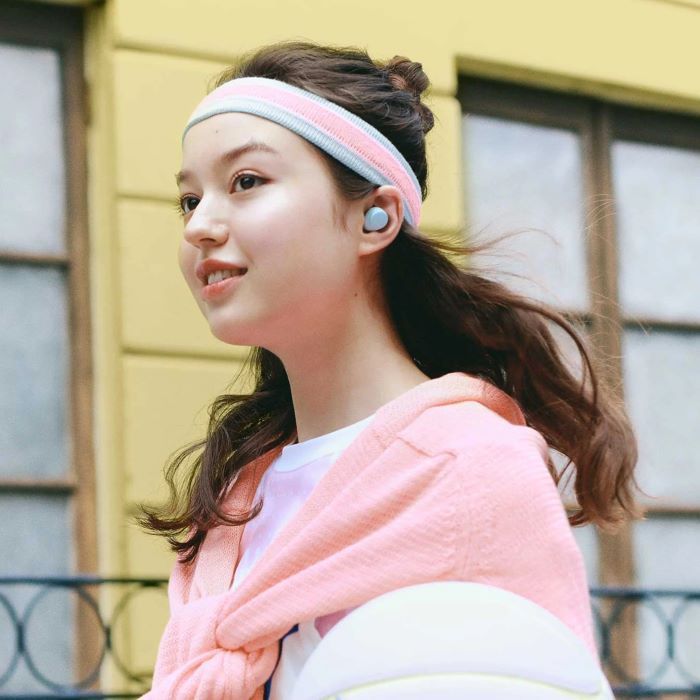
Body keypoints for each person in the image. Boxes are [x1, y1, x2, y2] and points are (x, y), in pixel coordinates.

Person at [136, 40, 641, 699]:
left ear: (375, 218)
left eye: (247, 182)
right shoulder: (236, 497)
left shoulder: (469, 469)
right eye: (188, 200)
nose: (199, 225)